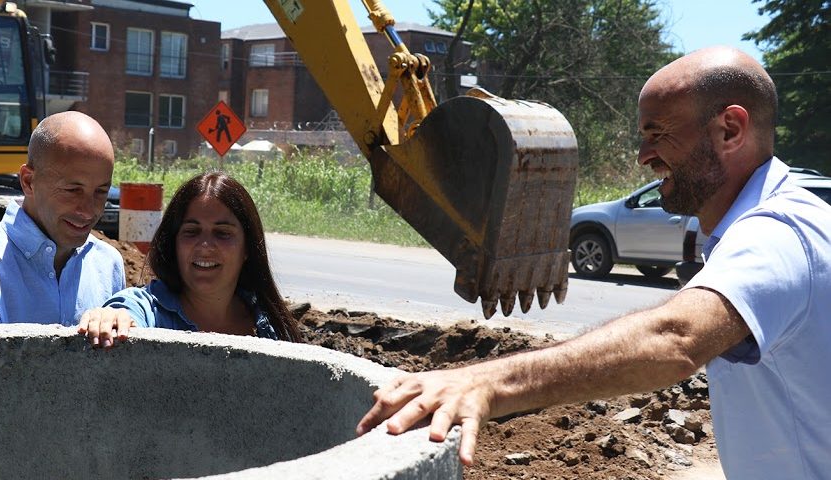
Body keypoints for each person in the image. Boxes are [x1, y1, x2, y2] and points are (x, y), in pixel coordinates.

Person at [356, 46, 831, 479]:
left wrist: (485, 382)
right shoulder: (761, 224)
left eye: (658, 134)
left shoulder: (780, 233)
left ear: (729, 129)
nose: (645, 156)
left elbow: (675, 337)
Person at [0, 111, 125, 327]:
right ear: (28, 181)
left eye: (100, 192)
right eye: (72, 190)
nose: (88, 211)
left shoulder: (108, 266)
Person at [77, 172, 301, 348]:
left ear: (247, 249)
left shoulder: (270, 325)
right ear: (173, 243)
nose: (205, 246)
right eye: (191, 231)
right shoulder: (147, 311)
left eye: (222, 233)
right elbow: (124, 314)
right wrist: (112, 319)